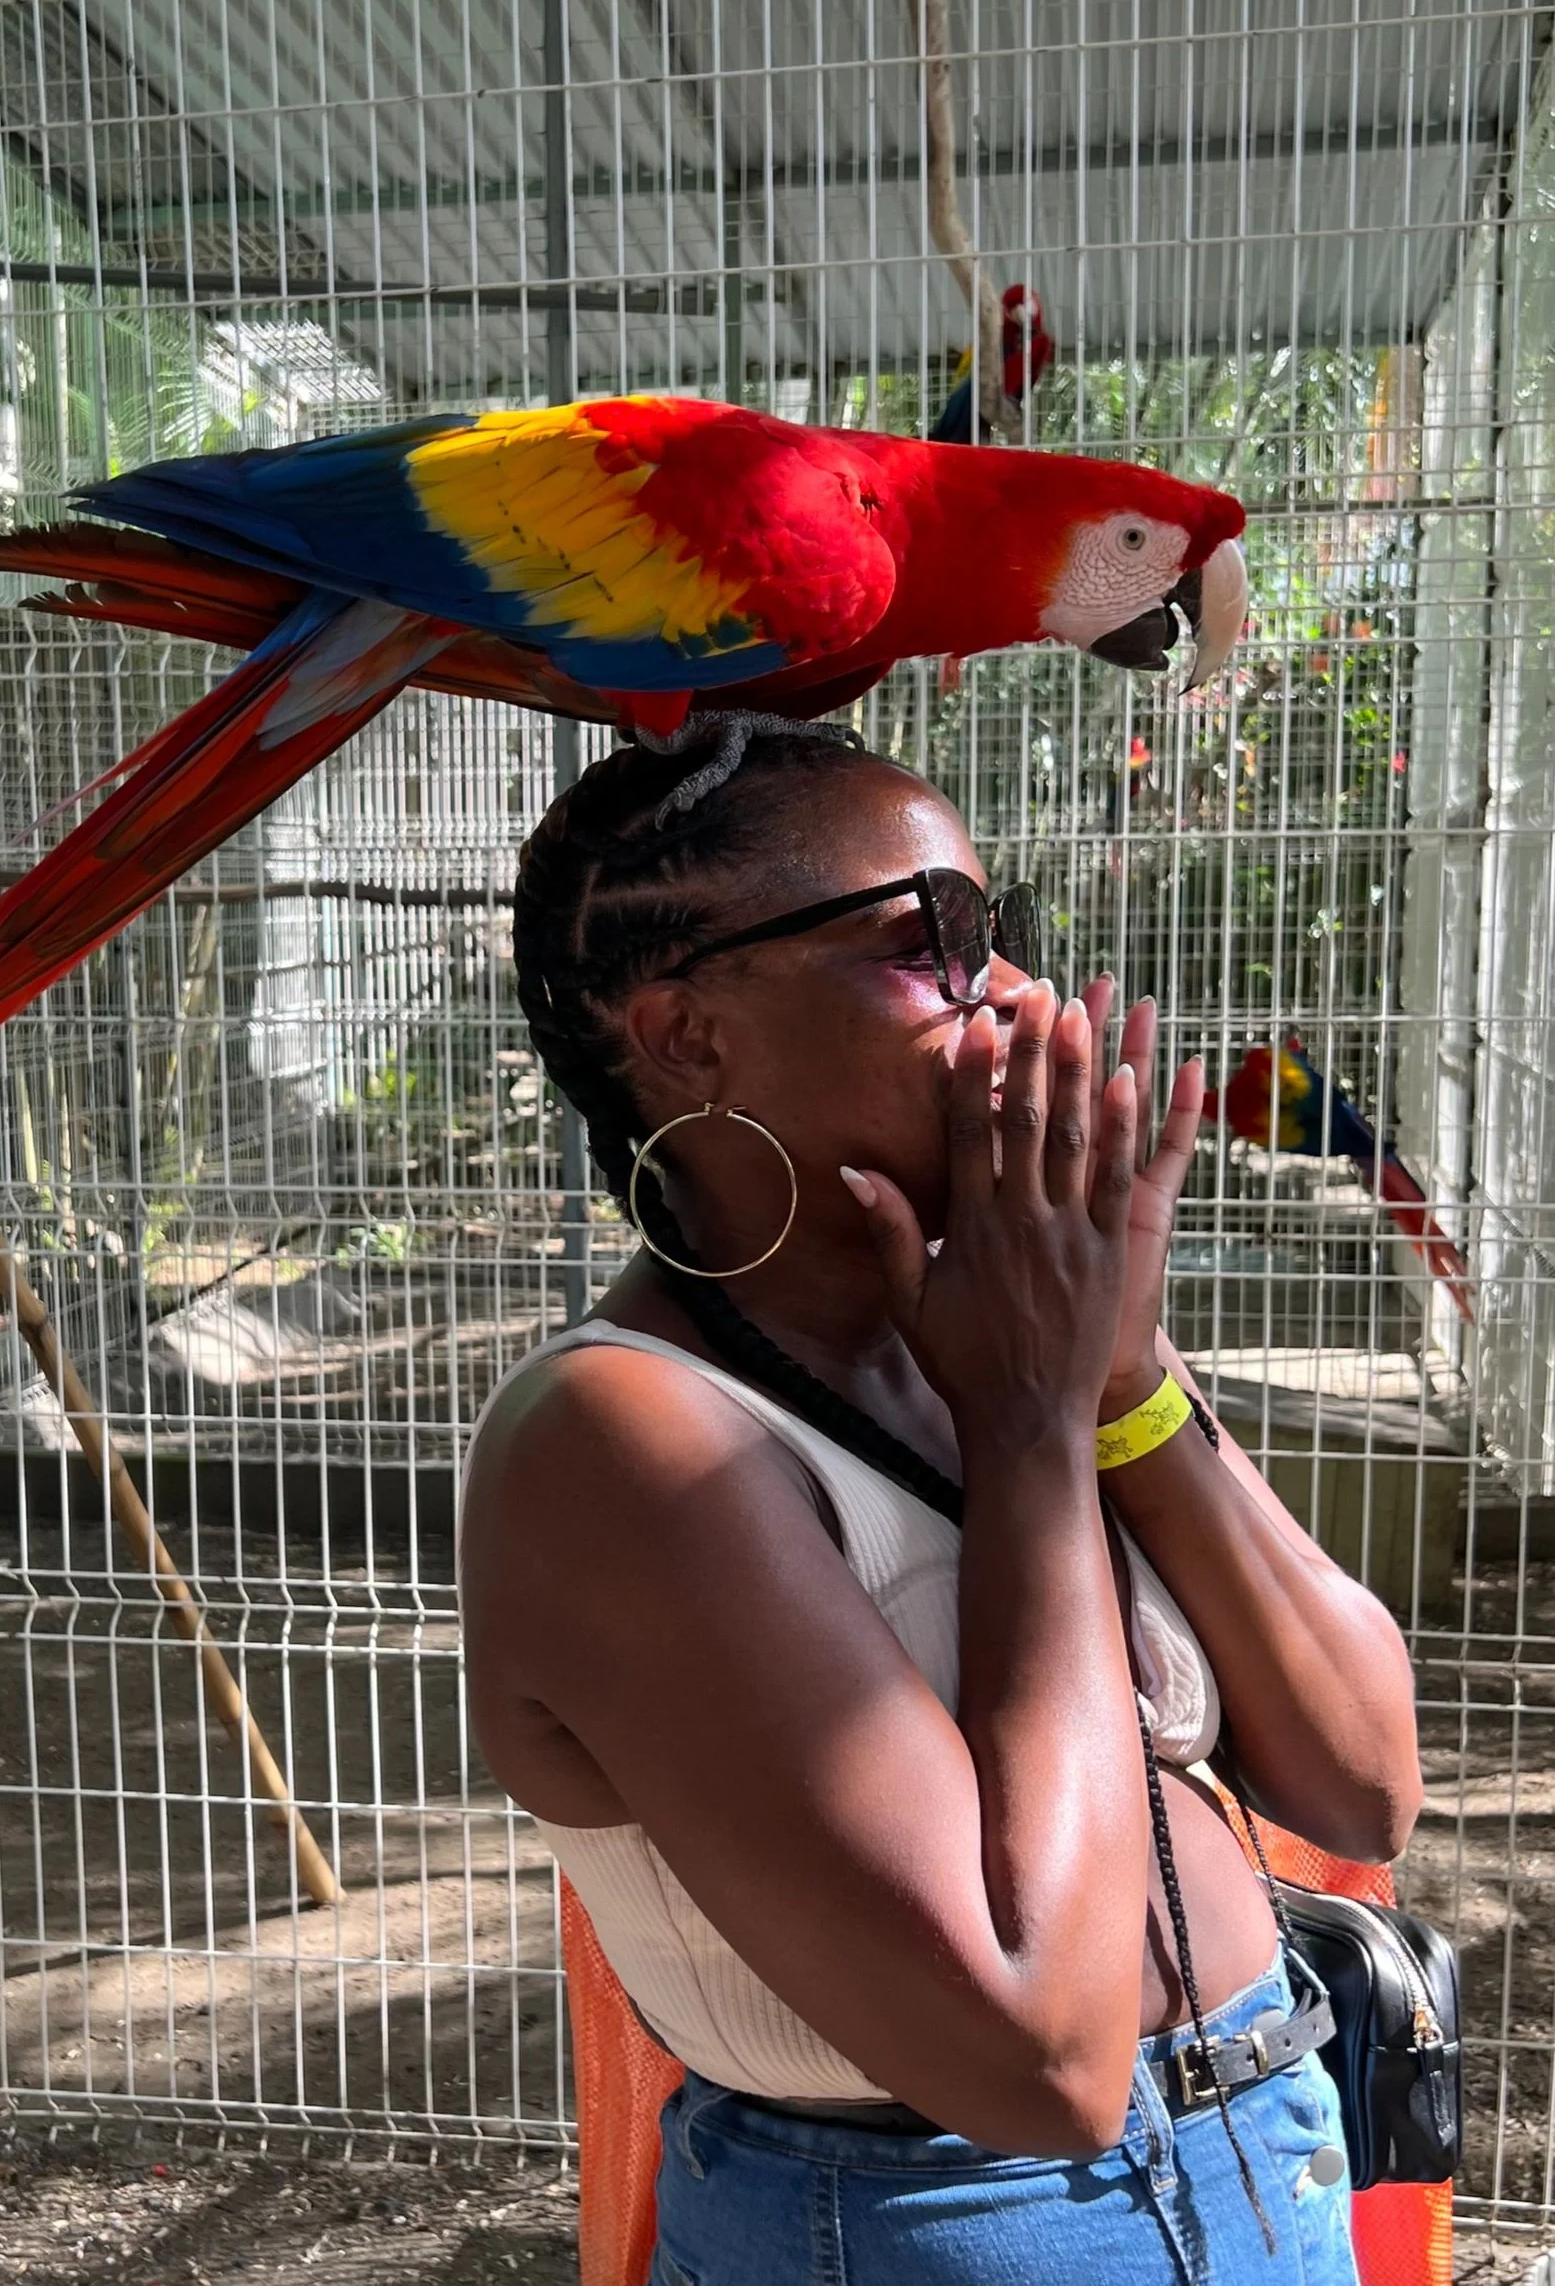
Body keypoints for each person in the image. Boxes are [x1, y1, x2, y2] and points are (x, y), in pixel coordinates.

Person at [460, 716, 1422, 2286]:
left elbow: (1360, 1778)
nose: (1020, 996)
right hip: (944, 2227)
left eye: (999, 929)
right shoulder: (619, 1445)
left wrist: (1122, 1378)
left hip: (1264, 2156)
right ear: (684, 1033)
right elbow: (1037, 2056)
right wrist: (1031, 1420)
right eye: (932, 943)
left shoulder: (1000, 1324)